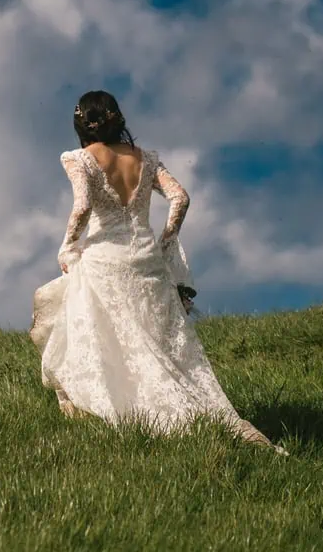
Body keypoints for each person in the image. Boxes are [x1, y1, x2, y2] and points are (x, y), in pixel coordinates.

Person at [29, 90, 280, 450]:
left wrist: (68, 244)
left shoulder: (79, 159)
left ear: (80, 123)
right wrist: (166, 240)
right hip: (147, 258)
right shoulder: (146, 159)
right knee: (157, 339)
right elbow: (180, 197)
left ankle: (122, 408)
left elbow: (83, 205)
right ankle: (209, 418)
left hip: (106, 259)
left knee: (99, 330)